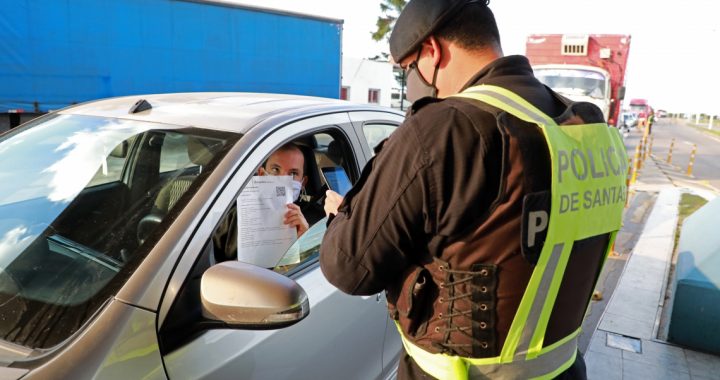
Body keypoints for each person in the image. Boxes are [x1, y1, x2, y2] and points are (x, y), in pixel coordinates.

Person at [319, 1, 627, 379]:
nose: (412, 80)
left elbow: (350, 268)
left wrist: (344, 215)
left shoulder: (443, 129)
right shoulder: (584, 128)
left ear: (433, 51)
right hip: (564, 369)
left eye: (410, 68)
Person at [212, 142, 324, 261]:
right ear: (261, 174)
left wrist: (305, 241)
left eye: (293, 173)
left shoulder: (317, 223)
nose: (282, 180)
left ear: (303, 182)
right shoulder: (236, 216)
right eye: (275, 170)